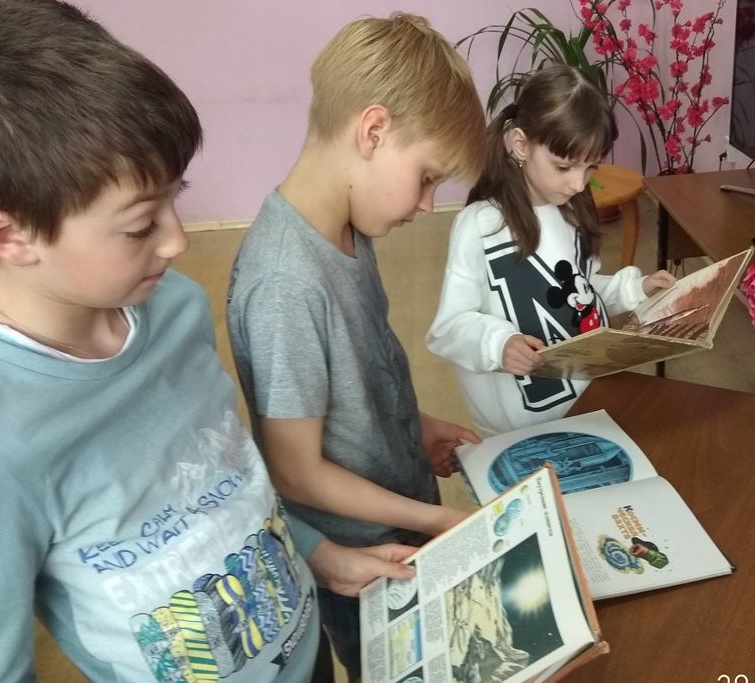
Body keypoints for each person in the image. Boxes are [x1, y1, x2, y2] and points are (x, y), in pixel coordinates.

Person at [0, 2, 418, 680]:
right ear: (8, 236)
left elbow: (227, 484)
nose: (178, 240)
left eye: (178, 198)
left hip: (306, 648)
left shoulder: (174, 305)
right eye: (141, 224)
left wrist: (318, 551)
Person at [225, 13, 487, 681]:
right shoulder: (285, 283)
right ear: (373, 131)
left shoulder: (349, 227)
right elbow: (296, 470)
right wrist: (434, 518)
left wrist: (414, 423)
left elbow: (351, 380)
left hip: (397, 517)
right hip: (359, 557)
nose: (426, 205)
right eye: (427, 177)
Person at [426, 65, 676, 436]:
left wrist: (635, 289)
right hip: (514, 427)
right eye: (563, 166)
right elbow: (449, 327)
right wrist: (499, 344)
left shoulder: (574, 210)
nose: (578, 183)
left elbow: (581, 292)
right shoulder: (479, 226)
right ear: (521, 145)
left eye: (590, 167)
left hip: (585, 405)